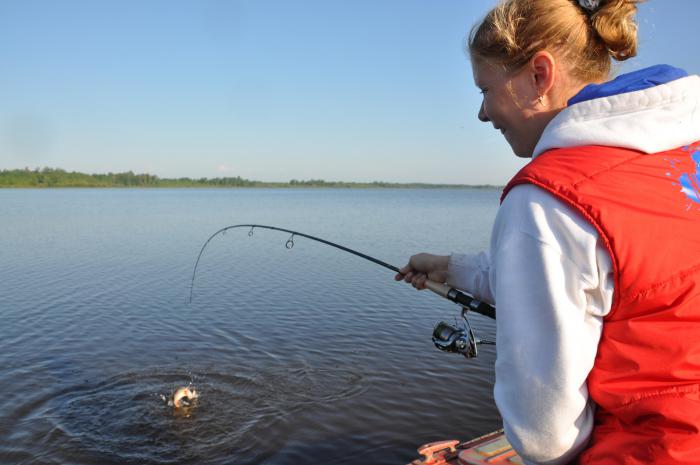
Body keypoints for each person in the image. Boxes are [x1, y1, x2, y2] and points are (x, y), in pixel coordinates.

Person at [395, 0, 700, 463]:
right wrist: (450, 268)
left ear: (539, 76)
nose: (481, 113)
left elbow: (545, 437)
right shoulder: (682, 153)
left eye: (486, 90)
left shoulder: (549, 200)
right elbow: (620, 279)